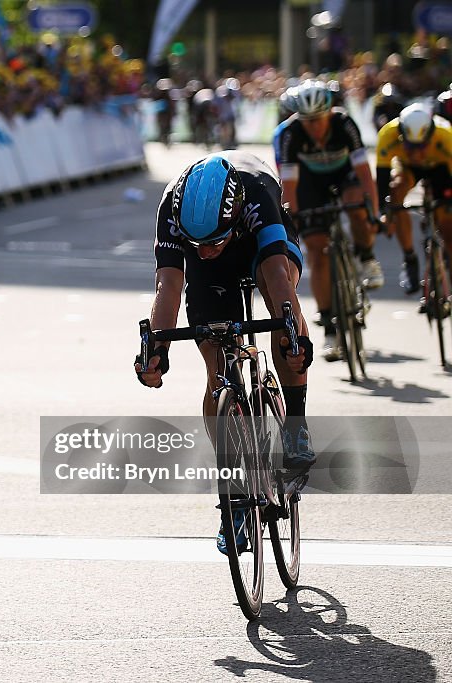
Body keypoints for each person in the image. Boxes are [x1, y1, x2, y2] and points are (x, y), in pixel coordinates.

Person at [133, 151, 316, 553]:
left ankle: (296, 426)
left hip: (259, 247)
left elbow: (280, 283)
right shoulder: (173, 208)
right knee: (217, 370)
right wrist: (156, 350)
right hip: (211, 273)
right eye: (197, 243)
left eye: (212, 241)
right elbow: (168, 287)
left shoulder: (255, 195)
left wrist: (295, 336)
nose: (205, 250)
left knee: (280, 313)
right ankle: (233, 492)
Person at [276, 80, 381, 362]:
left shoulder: (345, 124)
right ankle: (329, 329)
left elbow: (364, 172)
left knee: (355, 205)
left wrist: (374, 211)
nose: (314, 127)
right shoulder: (290, 134)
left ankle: (367, 258)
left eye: (319, 120)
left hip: (343, 175)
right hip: (311, 183)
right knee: (317, 252)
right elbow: (289, 186)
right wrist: (293, 224)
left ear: (330, 113)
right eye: (307, 121)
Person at [377, 103, 452, 295]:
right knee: (396, 191)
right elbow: (382, 181)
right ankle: (410, 259)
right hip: (408, 168)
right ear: (401, 136)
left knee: (446, 222)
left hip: (440, 169)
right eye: (410, 146)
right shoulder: (388, 134)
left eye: (422, 146)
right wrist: (385, 213)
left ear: (431, 136)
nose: (417, 153)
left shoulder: (446, 136)